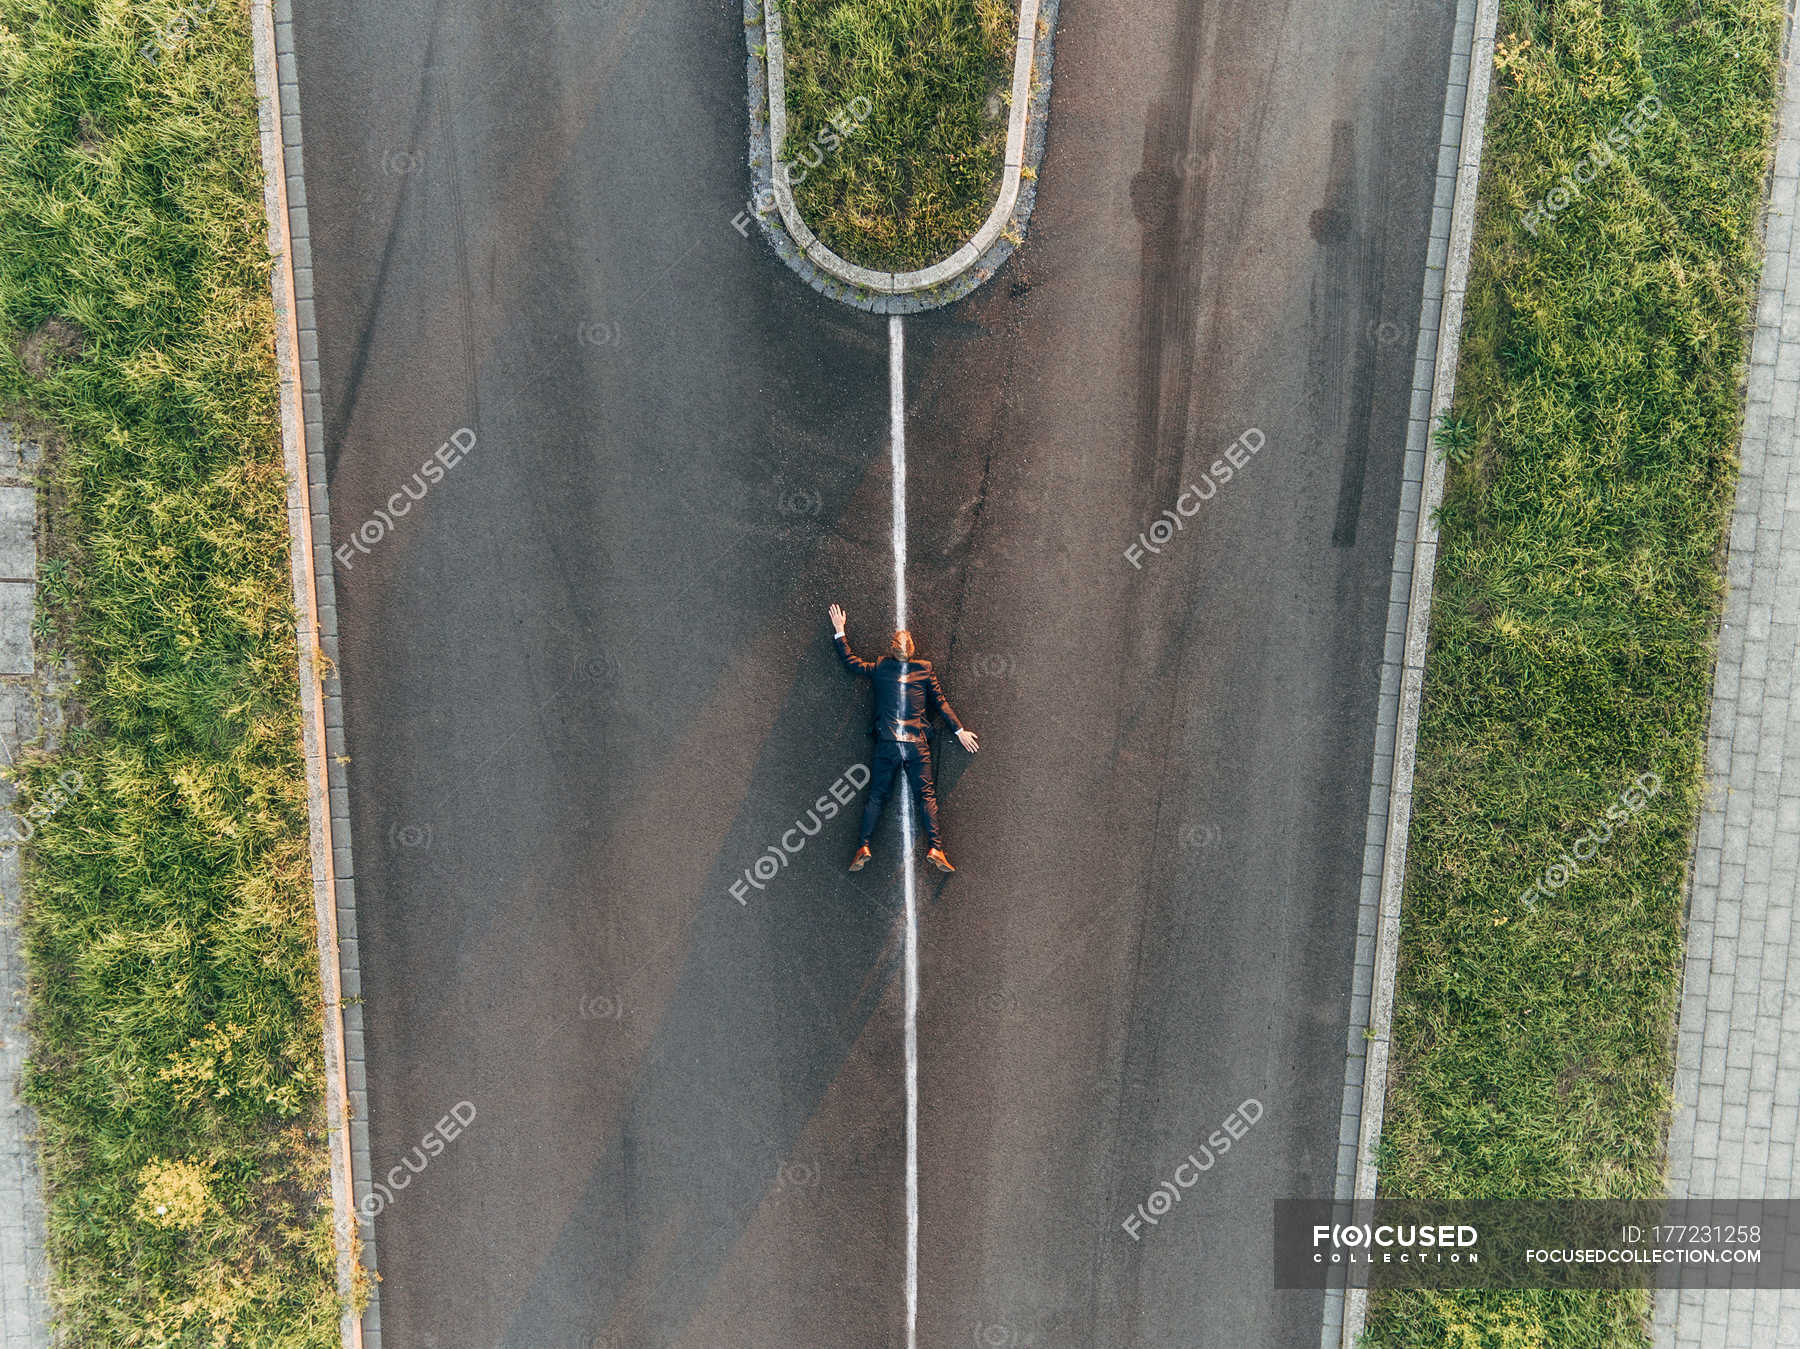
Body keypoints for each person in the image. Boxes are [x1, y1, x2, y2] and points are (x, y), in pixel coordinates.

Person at [828, 603, 978, 873]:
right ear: (911, 650)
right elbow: (941, 704)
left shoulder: (881, 667)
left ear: (892, 649)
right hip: (916, 745)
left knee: (876, 796)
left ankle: (863, 844)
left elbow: (852, 663)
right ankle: (936, 847)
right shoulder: (925, 669)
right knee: (926, 796)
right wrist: (959, 730)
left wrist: (840, 632)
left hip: (888, 743)